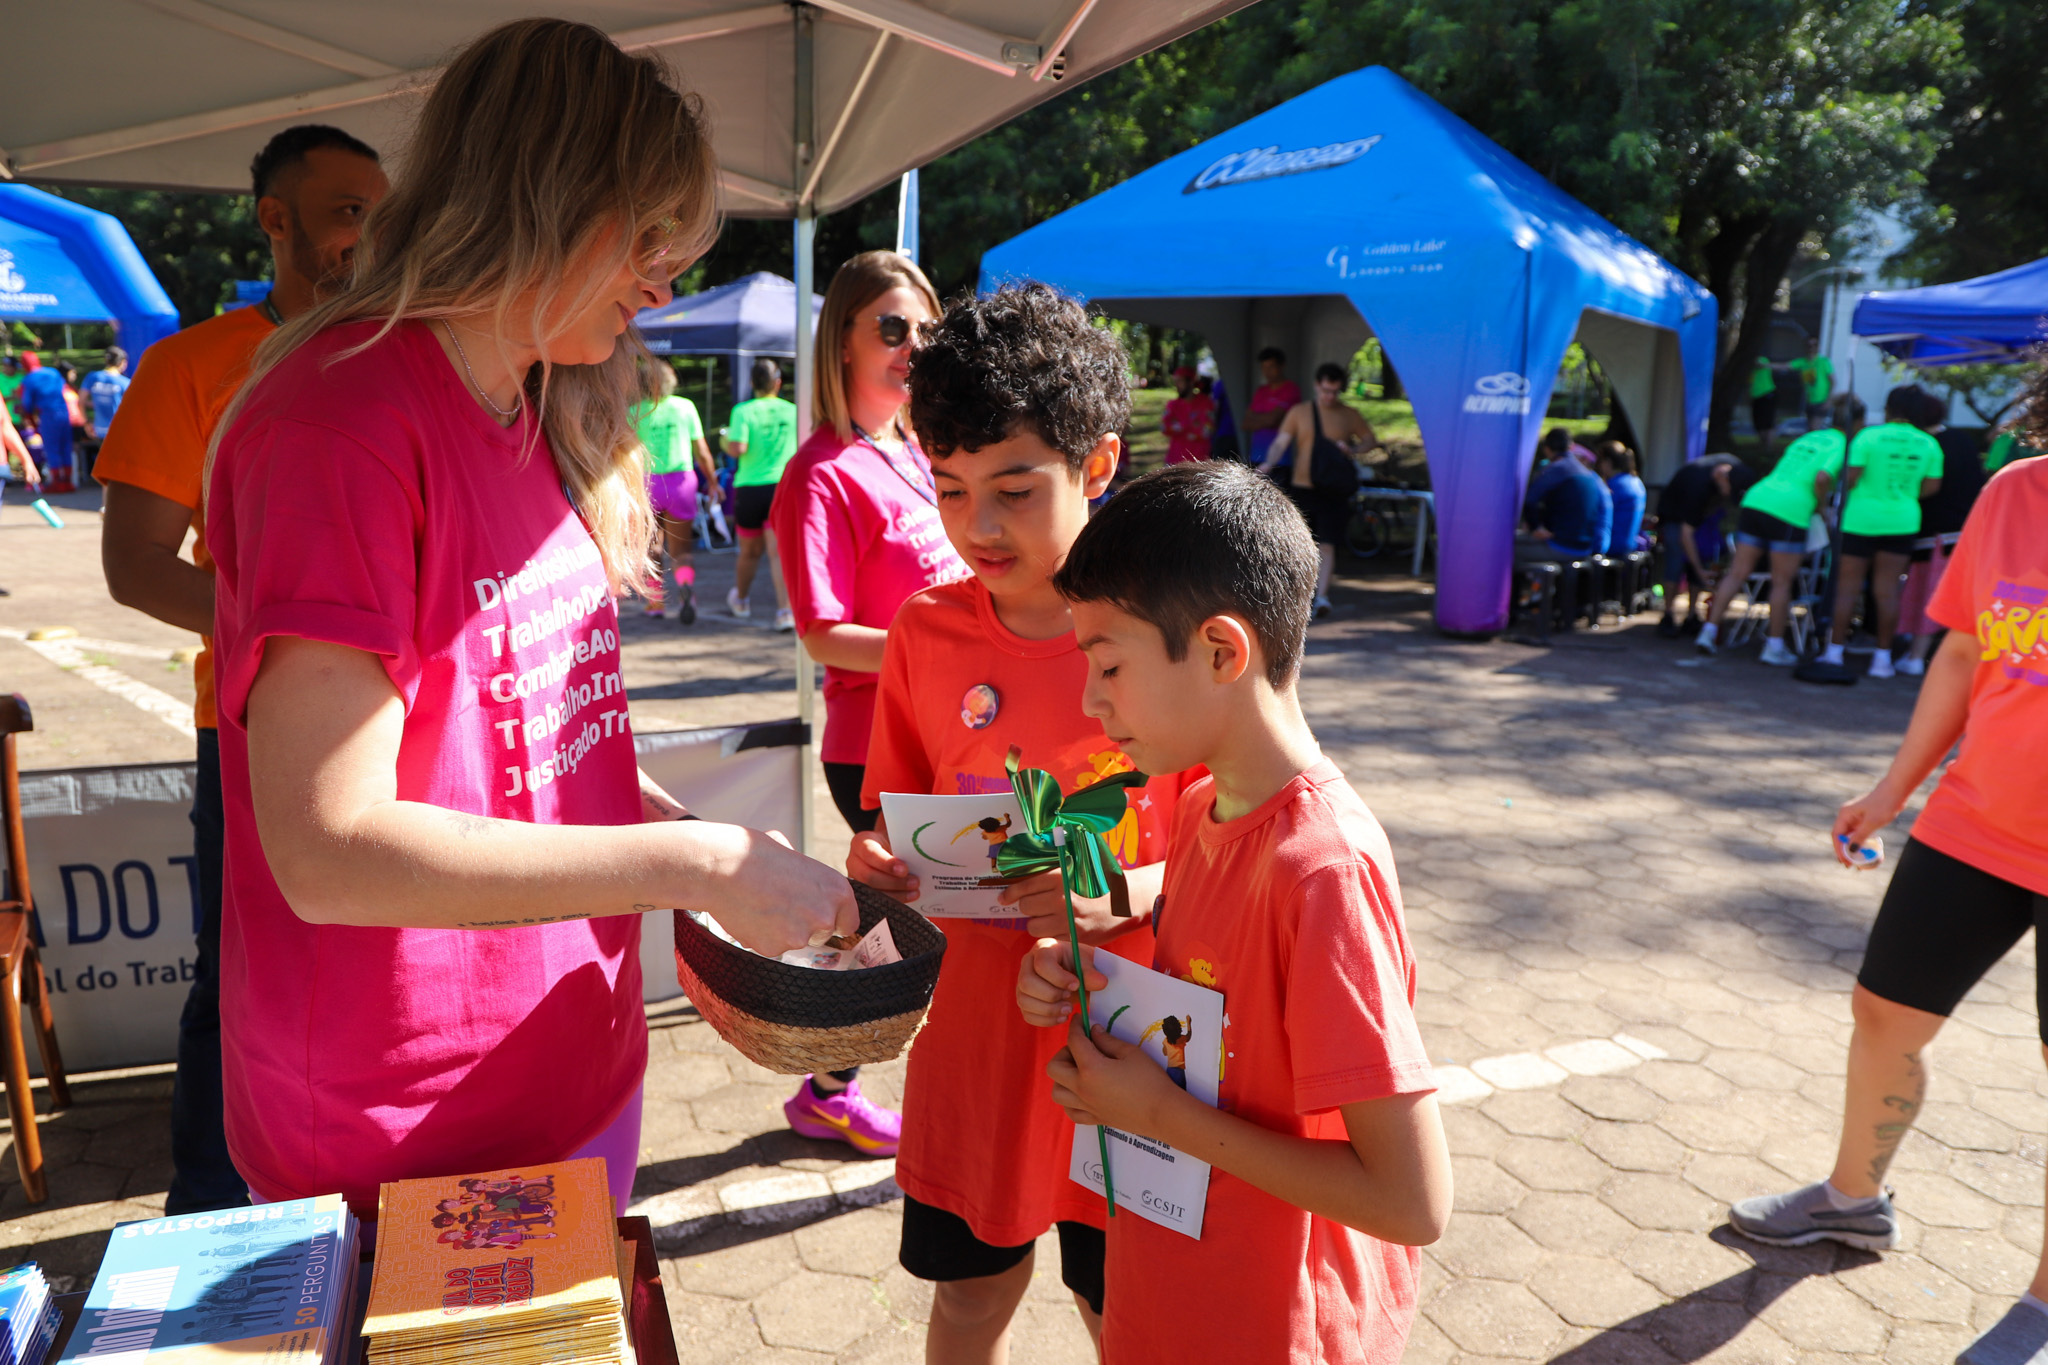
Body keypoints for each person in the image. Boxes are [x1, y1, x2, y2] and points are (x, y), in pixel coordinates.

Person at [203, 18, 857, 1215]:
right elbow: (327, 849)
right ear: (544, 204)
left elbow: (537, 758)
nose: (663, 282)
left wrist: (719, 871)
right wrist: (694, 860)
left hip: (567, 1067)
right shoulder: (338, 425)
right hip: (400, 1122)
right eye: (646, 239)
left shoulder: (525, 398)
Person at [1016, 461, 1451, 1364]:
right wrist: (1091, 974)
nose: (1090, 700)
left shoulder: (1323, 871)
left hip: (1273, 1324)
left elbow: (1412, 1201)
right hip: (1174, 1289)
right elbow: (1219, 1017)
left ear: (1221, 650)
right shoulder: (1199, 805)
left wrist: (1157, 1114)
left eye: (1107, 664)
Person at [846, 282, 1188, 1364]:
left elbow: (1234, 861)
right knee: (966, 1298)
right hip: (976, 1038)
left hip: (1132, 1041)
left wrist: (1118, 895)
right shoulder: (923, 632)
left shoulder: (1172, 636)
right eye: (946, 490)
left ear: (1096, 464)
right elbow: (893, 825)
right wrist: (876, 870)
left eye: (1012, 488)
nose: (975, 528)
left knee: (1126, 1309)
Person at [95, 122, 388, 1216]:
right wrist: (278, 658)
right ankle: (213, 1224)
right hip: (253, 736)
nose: (374, 230)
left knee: (380, 968)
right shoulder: (194, 367)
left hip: (404, 731)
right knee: (241, 982)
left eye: (381, 208)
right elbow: (133, 566)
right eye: (349, 208)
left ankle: (368, 1201)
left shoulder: (410, 352)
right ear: (277, 220)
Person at [1728, 367, 2048, 1365]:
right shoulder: (2014, 492)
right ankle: (1851, 1201)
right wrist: (1889, 792)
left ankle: (2041, 1305)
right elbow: (1962, 656)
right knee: (1882, 1013)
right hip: (1975, 821)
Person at [770, 249, 971, 1150]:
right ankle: (828, 1082)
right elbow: (820, 632)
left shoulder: (917, 452)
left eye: (925, 329)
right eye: (892, 327)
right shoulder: (821, 473)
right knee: (909, 923)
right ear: (841, 340)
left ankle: (832, 1077)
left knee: (916, 918)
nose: (912, 346)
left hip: (949, 729)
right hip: (875, 739)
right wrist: (950, 648)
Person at [1697, 394, 1866, 665]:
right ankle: (1774, 646)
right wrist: (1822, 509)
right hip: (1790, 509)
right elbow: (1822, 477)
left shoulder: (1808, 437)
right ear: (1857, 422)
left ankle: (1708, 631)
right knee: (1782, 582)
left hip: (1757, 498)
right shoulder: (1844, 445)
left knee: (1737, 572)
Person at [1818, 385, 1943, 679]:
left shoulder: (1869, 436)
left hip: (1860, 520)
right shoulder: (1929, 443)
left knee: (1847, 587)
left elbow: (1850, 477)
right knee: (1887, 591)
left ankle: (1834, 653)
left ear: (1889, 408)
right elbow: (1932, 486)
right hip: (1903, 521)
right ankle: (1882, 659)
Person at [1259, 361, 1380, 618]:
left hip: (1333, 489)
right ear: (1316, 386)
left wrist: (1354, 450)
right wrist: (1268, 464)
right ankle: (1296, 595)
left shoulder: (1349, 414)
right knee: (1296, 542)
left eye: (1334, 392)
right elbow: (1281, 442)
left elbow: (1370, 440)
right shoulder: (1300, 412)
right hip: (1303, 487)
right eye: (1325, 391)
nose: (1329, 397)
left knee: (1327, 544)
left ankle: (1321, 597)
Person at [1897, 388, 1989, 676]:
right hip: (1965, 531)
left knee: (1928, 595)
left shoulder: (1924, 445)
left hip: (1933, 534)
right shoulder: (1962, 440)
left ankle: (1915, 657)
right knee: (1957, 599)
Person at [631, 356, 715, 623]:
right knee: (682, 551)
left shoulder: (633, 411)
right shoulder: (685, 407)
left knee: (652, 547)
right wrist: (713, 482)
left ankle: (655, 601)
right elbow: (701, 451)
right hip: (681, 483)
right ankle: (685, 589)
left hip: (647, 483)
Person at [722, 356, 798, 630]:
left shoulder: (743, 411)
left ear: (753, 382)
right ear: (778, 383)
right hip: (783, 486)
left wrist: (724, 440)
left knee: (748, 552)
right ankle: (784, 612)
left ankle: (741, 600)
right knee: (779, 553)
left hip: (750, 488)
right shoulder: (793, 411)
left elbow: (737, 449)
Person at [1654, 455, 1750, 636]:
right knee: (1676, 563)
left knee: (1702, 561)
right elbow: (1685, 534)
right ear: (1721, 478)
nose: (1728, 495)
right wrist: (1699, 570)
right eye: (1729, 490)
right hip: (1675, 519)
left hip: (1700, 520)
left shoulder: (1735, 467)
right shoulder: (1697, 487)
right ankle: (1668, 615)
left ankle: (1692, 616)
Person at [1516, 438, 1612, 565]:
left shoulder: (1581, 479)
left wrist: (1537, 528)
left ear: (1585, 460)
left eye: (1575, 456)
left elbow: (1531, 500)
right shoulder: (1592, 480)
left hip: (1580, 548)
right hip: (1581, 546)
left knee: (1505, 550)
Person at [17, 353, 72, 493]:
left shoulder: (29, 379)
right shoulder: (53, 372)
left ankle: (56, 482)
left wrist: (29, 415)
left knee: (51, 448)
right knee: (65, 447)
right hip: (64, 411)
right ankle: (68, 481)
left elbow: (27, 403)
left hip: (48, 414)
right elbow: (63, 388)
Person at [1242, 347, 1301, 469]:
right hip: (1256, 457)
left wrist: (1256, 417)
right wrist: (1268, 418)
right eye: (1263, 367)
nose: (1267, 371)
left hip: (1281, 460)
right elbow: (1245, 424)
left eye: (1271, 367)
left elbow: (1272, 420)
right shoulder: (1261, 391)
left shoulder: (1291, 390)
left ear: (1281, 366)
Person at [1594, 441, 1647, 555]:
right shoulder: (1636, 481)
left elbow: (1597, 514)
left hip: (1613, 546)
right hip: (1630, 545)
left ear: (1607, 462)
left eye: (1600, 461)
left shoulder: (1615, 485)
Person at [1160, 364, 1216, 464]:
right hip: (1175, 460)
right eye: (1175, 381)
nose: (1177, 385)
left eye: (1180, 381)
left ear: (1191, 382)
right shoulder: (1173, 405)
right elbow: (1164, 428)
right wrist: (1190, 426)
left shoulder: (1206, 403)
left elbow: (1206, 431)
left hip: (1199, 461)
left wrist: (1179, 427)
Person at [82, 347, 130, 460]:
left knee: (105, 461)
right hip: (119, 432)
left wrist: (86, 423)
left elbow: (81, 401)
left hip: (99, 430)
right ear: (123, 363)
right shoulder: (125, 383)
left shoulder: (92, 377)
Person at [1788, 337, 1835, 428]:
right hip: (1809, 400)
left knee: (1815, 428)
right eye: (1809, 345)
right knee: (1810, 427)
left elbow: (1833, 381)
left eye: (1815, 345)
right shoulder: (1803, 362)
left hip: (1821, 401)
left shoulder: (1823, 362)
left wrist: (1828, 400)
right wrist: (1767, 365)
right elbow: (1786, 366)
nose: (1812, 348)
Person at [1750, 353, 1780, 439]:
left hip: (1767, 394)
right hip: (1756, 396)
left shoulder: (1763, 359)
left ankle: (1768, 448)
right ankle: (1762, 445)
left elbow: (1760, 364)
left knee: (1768, 423)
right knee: (1758, 423)